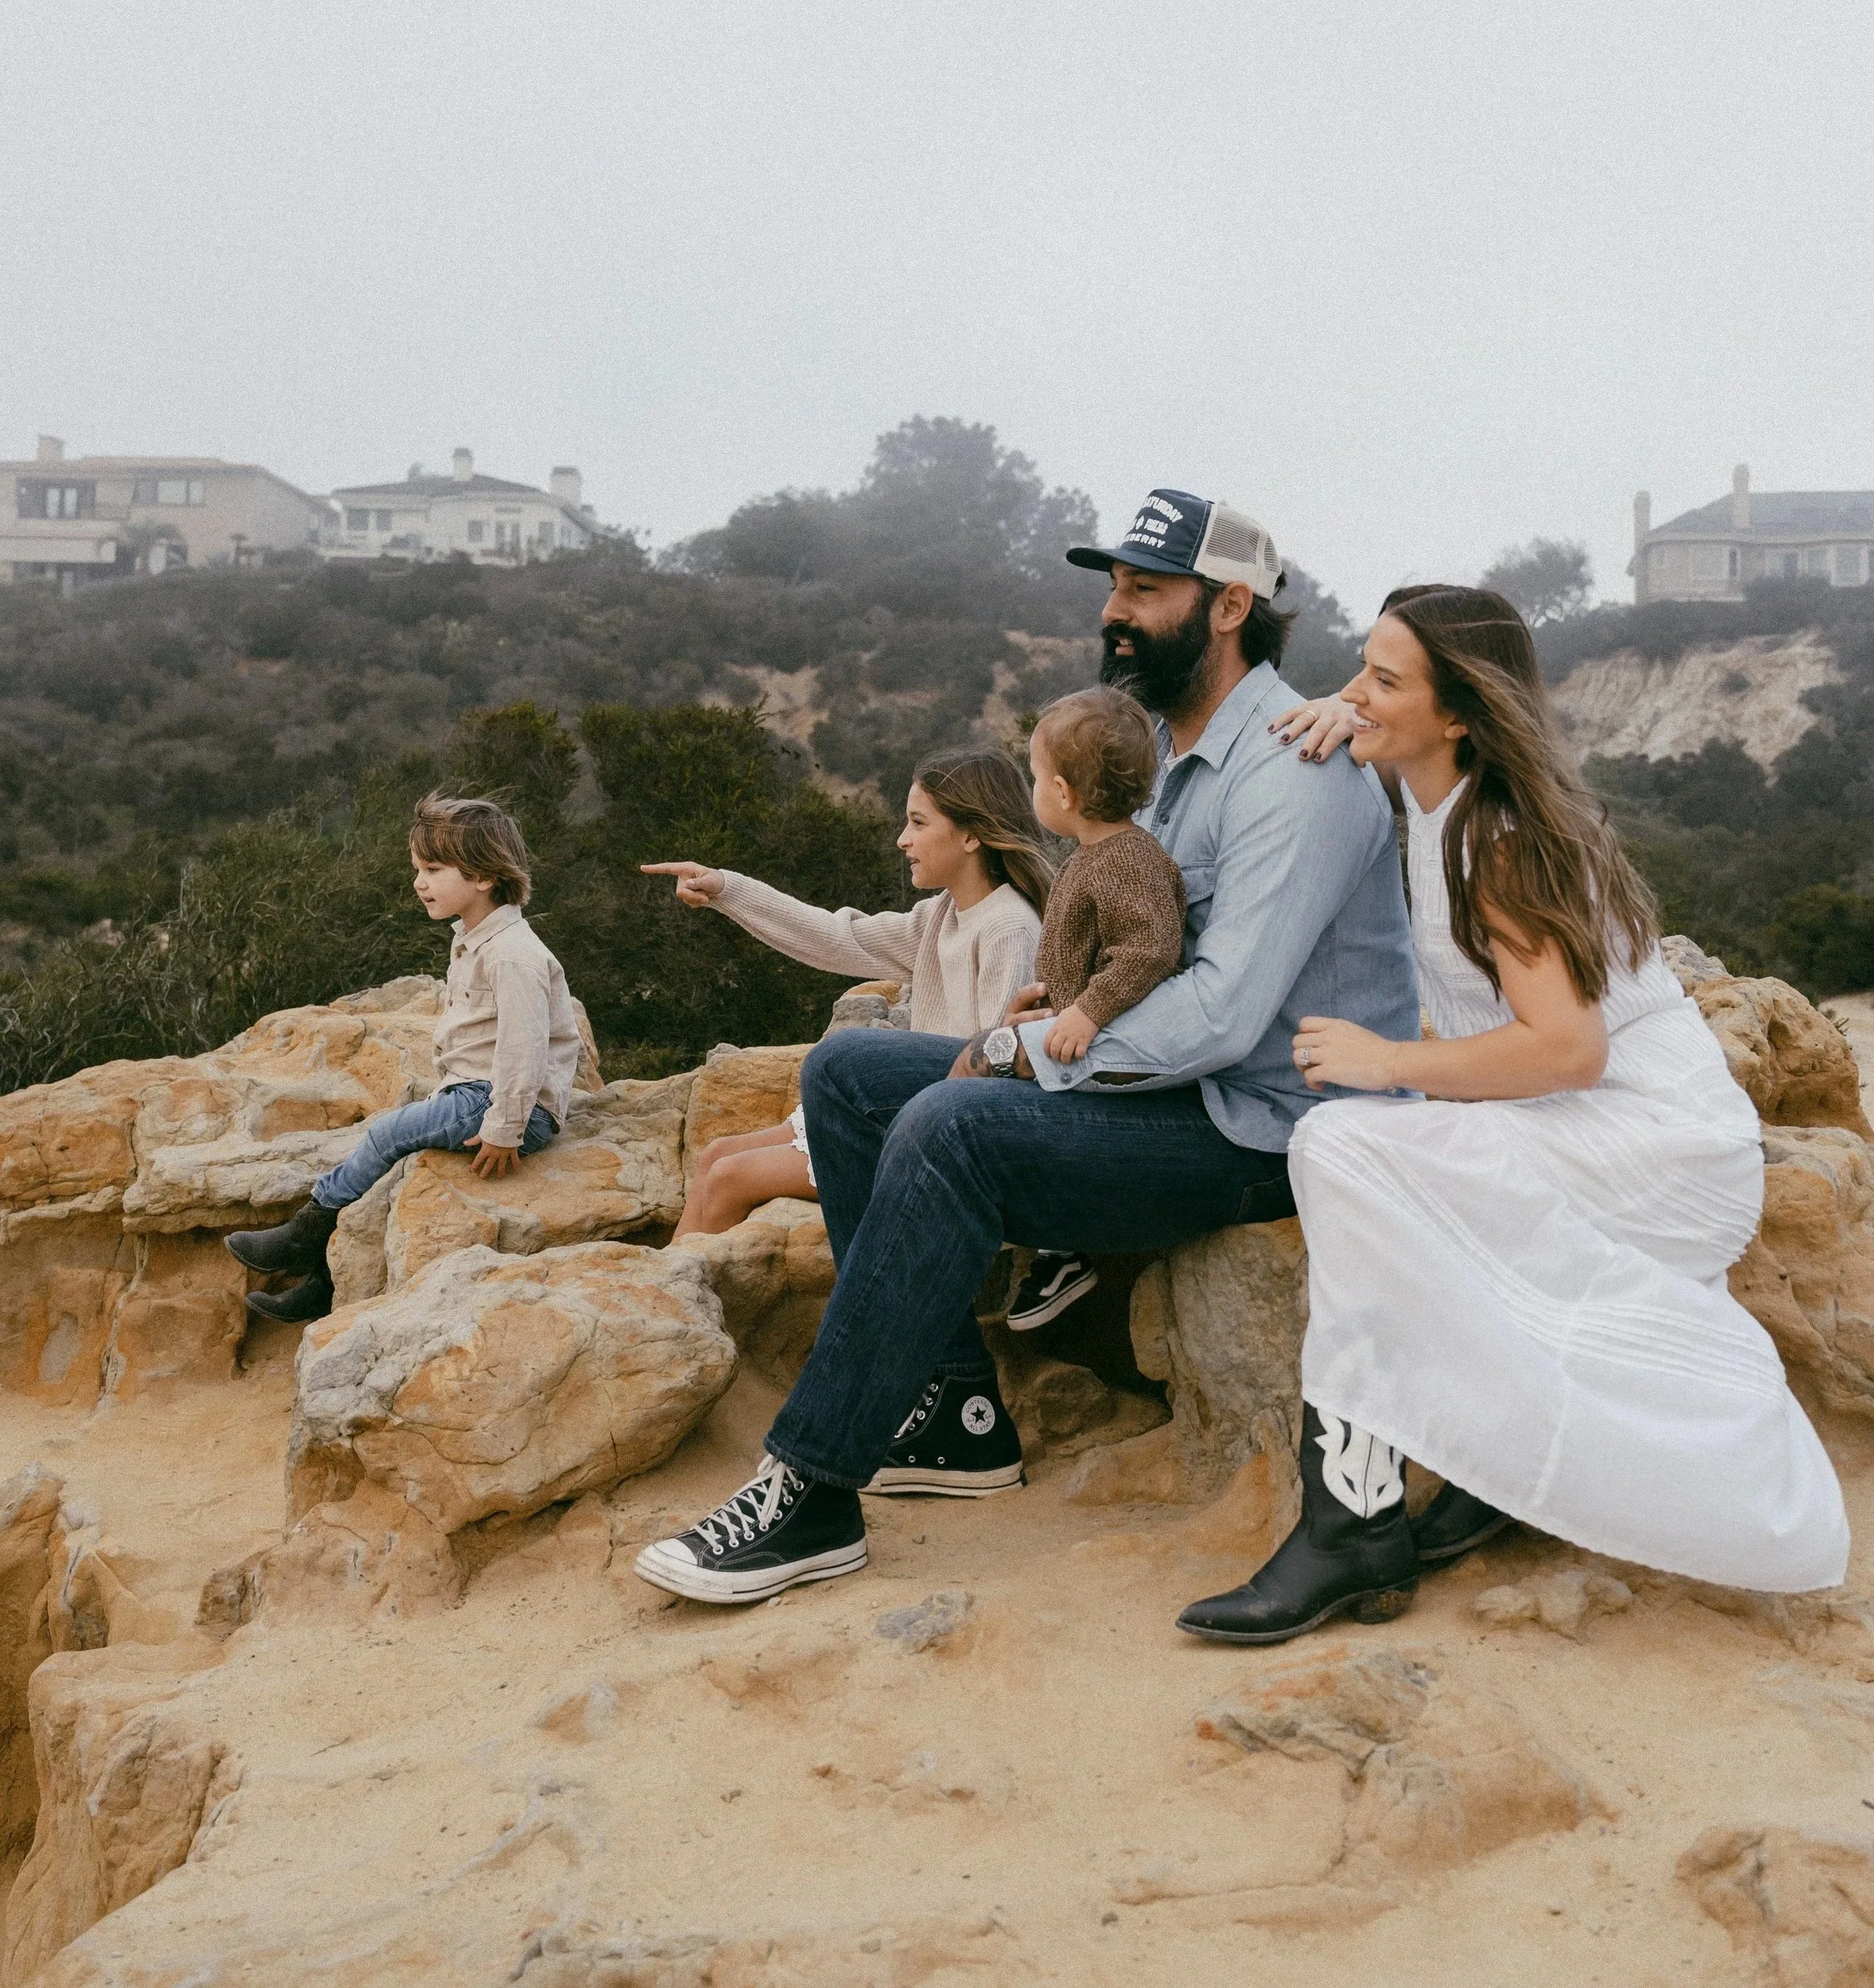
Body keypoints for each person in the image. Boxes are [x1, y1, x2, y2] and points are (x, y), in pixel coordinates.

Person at [631, 487, 1422, 1606]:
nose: (1116, 610)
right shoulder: (1162, 753)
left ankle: (808, 1486)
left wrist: (1026, 1052)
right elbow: (1148, 937)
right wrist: (1063, 989)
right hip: (1180, 1089)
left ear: (1231, 604)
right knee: (850, 1073)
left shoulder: (1296, 770)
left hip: (1266, 1120)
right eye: (1114, 585)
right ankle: (954, 1408)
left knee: (955, 1121)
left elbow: (1225, 1016)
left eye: (1145, 589)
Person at [1178, 586, 1850, 1647]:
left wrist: (1388, 1057)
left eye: (1386, 679)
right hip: (1609, 1127)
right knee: (1371, 1153)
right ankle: (1474, 1471)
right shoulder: (1444, 795)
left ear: (1460, 715)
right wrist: (1345, 705)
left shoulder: (1497, 837)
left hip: (1655, 1143)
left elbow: (1570, 1049)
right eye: (1361, 665)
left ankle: (1350, 1520)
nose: (1358, 691)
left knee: (1344, 1140)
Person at [642, 748, 1050, 1237]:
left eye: (918, 823)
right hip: (908, 1111)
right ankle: (675, 1293)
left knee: (729, 1177)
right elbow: (839, 938)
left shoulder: (1008, 927)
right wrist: (727, 889)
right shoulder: (944, 914)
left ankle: (681, 1303)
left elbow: (995, 1080)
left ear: (971, 835)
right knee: (715, 1156)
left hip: (932, 1136)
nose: (903, 840)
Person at [225, 793, 585, 1324]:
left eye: (433, 869)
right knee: (386, 1164)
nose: (419, 882)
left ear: (484, 876)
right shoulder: (474, 939)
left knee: (384, 1136)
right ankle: (323, 1285)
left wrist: (505, 1126)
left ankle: (308, 1230)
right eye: (418, 868)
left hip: (509, 1106)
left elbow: (523, 1049)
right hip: (474, 1090)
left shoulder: (513, 954)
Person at [1002, 684, 1189, 1332]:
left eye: (1032, 776)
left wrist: (1086, 1012)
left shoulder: (1126, 859)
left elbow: (1151, 947)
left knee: (1007, 1116)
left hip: (1103, 1053)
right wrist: (1051, 1005)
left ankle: (1063, 1252)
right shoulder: (1095, 856)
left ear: (1062, 792)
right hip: (1070, 1031)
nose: (1032, 789)